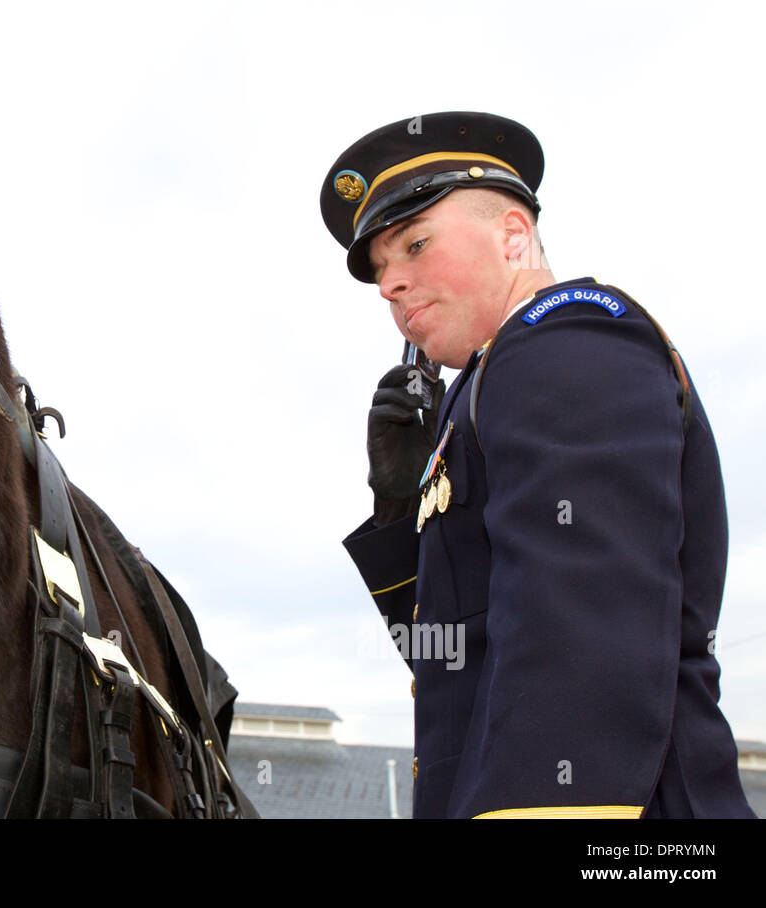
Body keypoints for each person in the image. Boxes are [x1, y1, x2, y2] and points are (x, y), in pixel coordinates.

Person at [322, 111, 755, 818]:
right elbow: (456, 663)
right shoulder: (493, 381)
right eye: (381, 270)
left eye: (415, 245)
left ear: (514, 236)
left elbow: (581, 647)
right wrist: (403, 506)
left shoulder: (564, 339)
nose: (389, 285)